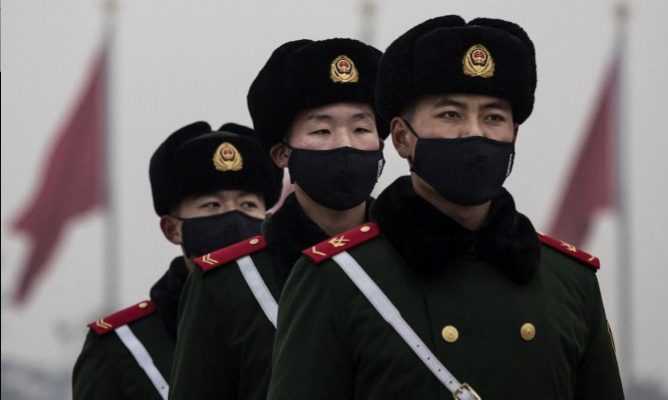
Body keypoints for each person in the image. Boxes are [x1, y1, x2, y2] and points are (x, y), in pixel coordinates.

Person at [267, 15, 625, 399]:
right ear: (403, 138)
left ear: (513, 136)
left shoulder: (569, 280)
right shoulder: (338, 278)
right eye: (451, 115)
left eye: (493, 117)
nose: (474, 132)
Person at [168, 38, 386, 400]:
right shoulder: (229, 282)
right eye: (321, 130)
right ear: (283, 153)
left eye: (361, 129)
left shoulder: (414, 257)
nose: (344, 144)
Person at [72, 121, 281, 400]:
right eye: (212, 206)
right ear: (173, 229)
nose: (234, 219)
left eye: (247, 205)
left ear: (267, 221)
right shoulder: (122, 348)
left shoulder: (295, 314)